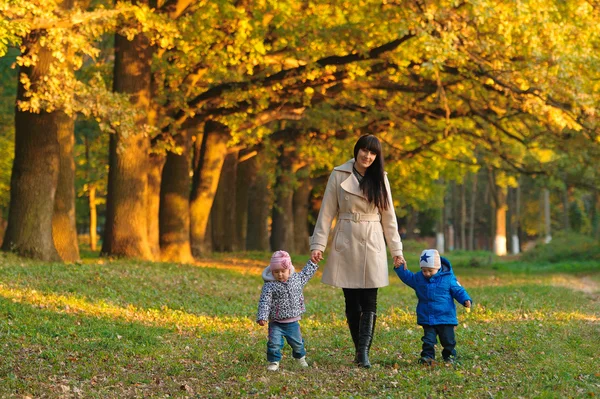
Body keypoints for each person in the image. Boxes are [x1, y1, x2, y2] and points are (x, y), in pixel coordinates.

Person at [309, 134, 405, 368]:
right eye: (364, 150)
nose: (368, 156)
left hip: (372, 239)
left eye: (373, 153)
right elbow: (326, 212)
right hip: (346, 237)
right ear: (357, 150)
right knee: (351, 301)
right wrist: (318, 245)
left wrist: (396, 250)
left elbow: (389, 218)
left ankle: (363, 352)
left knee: (370, 300)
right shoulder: (339, 174)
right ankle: (358, 348)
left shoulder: (380, 178)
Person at [394, 249, 472, 365]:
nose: (427, 273)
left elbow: (458, 290)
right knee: (428, 340)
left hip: (445, 317)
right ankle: (427, 357)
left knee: (448, 340)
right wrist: (399, 268)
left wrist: (465, 299)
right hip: (427, 316)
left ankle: (449, 356)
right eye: (424, 270)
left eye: (430, 270)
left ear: (438, 267)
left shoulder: (448, 278)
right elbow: (407, 277)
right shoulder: (419, 279)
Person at [256, 250, 319, 371]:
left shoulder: (296, 279)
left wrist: (312, 262)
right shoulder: (269, 285)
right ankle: (274, 361)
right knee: (274, 343)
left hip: (292, 322)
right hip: (276, 322)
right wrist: (262, 317)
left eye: (283, 271)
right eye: (276, 272)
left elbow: (306, 273)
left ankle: (300, 358)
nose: (280, 274)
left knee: (297, 343)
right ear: (271, 271)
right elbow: (265, 302)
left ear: (289, 269)